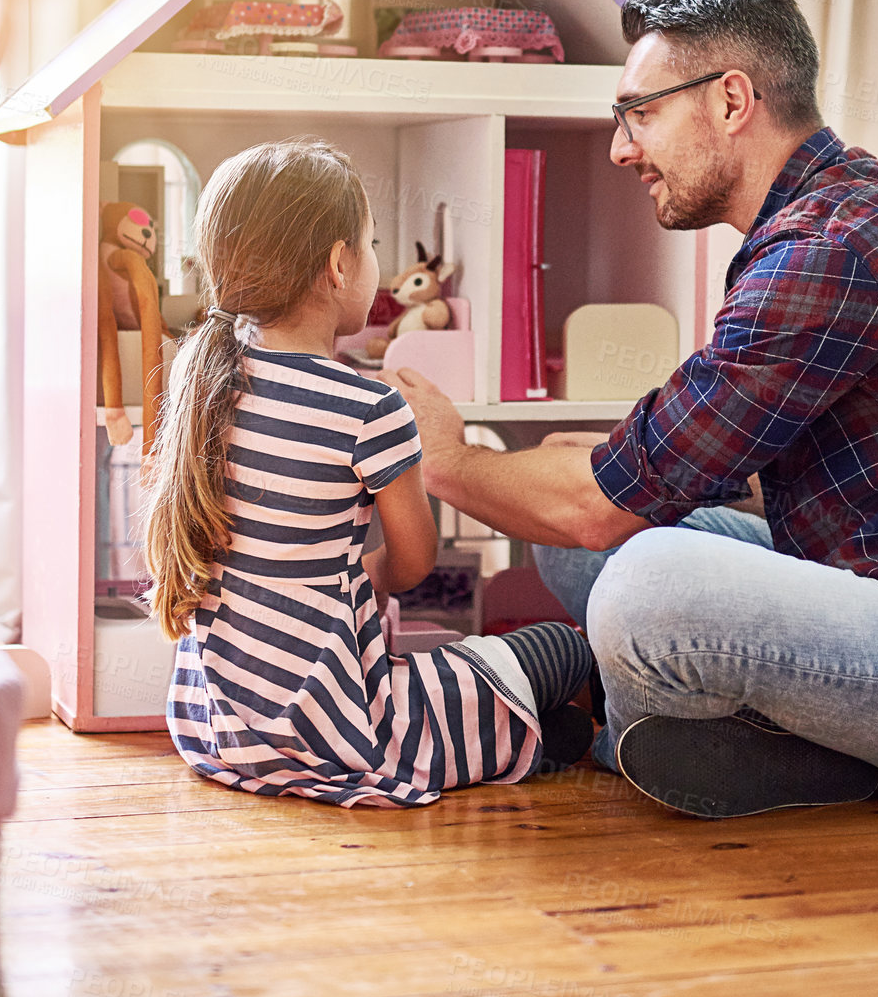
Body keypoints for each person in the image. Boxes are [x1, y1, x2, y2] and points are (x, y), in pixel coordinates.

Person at [382, 0, 878, 820]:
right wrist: (578, 474)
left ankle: (636, 731)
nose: (621, 148)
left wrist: (443, 460)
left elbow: (600, 509)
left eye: (640, 112)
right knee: (578, 514)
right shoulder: (834, 216)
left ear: (730, 100)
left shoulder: (825, 250)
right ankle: (762, 740)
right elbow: (661, 476)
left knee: (643, 580)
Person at [144, 138, 594, 808]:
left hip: (221, 733)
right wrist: (357, 582)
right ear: (337, 264)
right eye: (373, 243)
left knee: (552, 728)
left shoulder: (199, 375)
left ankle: (551, 741)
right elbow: (413, 564)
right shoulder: (368, 407)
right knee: (563, 650)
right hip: (341, 728)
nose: (378, 265)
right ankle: (596, 735)